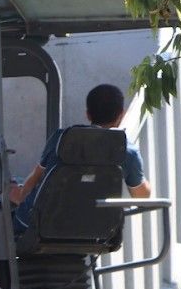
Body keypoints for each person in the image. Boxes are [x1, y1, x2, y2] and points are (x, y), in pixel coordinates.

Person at [8, 83, 153, 233]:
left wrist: (15, 193)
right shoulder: (126, 151)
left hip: (39, 228)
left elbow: (31, 184)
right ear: (121, 114)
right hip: (93, 233)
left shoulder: (61, 139)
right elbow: (142, 196)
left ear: (88, 114)